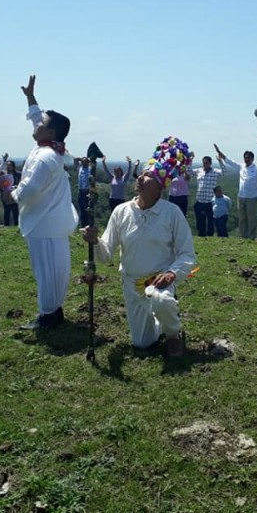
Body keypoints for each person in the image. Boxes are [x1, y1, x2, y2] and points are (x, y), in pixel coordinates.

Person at [82, 136, 196, 356]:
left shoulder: (171, 213)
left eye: (149, 177)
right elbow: (106, 255)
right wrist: (95, 241)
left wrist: (173, 273)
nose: (141, 179)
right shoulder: (121, 211)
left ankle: (173, 334)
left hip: (158, 279)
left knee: (162, 299)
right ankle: (160, 322)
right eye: (142, 174)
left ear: (160, 188)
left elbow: (187, 254)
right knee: (142, 343)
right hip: (131, 283)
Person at [14, 75, 79, 330]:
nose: (36, 122)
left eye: (42, 122)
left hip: (44, 221)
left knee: (47, 269)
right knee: (53, 267)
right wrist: (30, 97)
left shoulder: (45, 157)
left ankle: (48, 314)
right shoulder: (51, 149)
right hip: (50, 221)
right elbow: (35, 115)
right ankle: (52, 310)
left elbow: (30, 189)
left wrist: (12, 194)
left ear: (51, 132)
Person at [214, 145, 257, 239]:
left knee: (251, 218)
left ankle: (251, 236)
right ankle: (243, 236)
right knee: (242, 218)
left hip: (252, 198)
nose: (247, 159)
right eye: (245, 158)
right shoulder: (241, 166)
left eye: (249, 158)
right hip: (241, 197)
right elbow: (228, 161)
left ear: (252, 159)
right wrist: (219, 151)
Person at [192, 155, 222, 236]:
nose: (205, 164)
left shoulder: (215, 172)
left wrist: (220, 161)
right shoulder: (199, 171)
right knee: (200, 220)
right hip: (200, 200)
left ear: (210, 163)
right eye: (204, 163)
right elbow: (188, 171)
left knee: (210, 220)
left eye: (207, 163)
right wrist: (190, 160)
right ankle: (201, 234)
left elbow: (225, 171)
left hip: (210, 201)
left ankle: (210, 235)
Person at [0, 154, 21, 226]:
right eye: (7, 165)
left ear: (13, 166)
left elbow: (21, 182)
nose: (9, 166)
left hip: (15, 194)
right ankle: (6, 225)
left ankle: (17, 225)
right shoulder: (3, 174)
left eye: (10, 165)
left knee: (15, 211)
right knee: (7, 210)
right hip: (5, 194)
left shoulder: (18, 174)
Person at [73, 156, 94, 228]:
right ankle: (83, 226)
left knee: (88, 209)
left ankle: (89, 225)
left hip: (88, 191)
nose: (84, 162)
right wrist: (80, 158)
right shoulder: (80, 168)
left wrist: (88, 160)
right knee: (81, 210)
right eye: (82, 161)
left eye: (85, 161)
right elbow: (75, 160)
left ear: (88, 162)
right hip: (80, 191)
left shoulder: (90, 169)